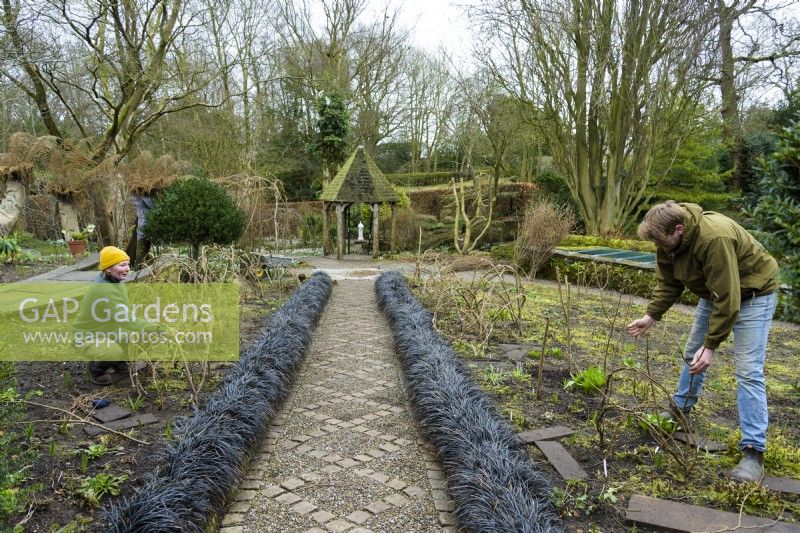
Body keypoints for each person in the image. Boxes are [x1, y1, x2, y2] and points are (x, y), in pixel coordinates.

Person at [626, 201, 779, 483]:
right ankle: (680, 410)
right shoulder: (668, 242)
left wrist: (710, 346)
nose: (658, 247)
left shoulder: (714, 237)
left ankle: (753, 452)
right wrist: (651, 315)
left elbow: (729, 299)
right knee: (691, 354)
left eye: (661, 241)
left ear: (679, 229)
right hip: (716, 293)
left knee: (748, 371)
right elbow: (669, 282)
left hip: (754, 294)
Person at [73, 246, 155, 385]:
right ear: (108, 268)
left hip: (109, 330)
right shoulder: (104, 290)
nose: (127, 268)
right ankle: (97, 370)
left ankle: (119, 363)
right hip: (88, 336)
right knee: (112, 349)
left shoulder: (114, 280)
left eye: (128, 264)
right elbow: (126, 320)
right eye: (122, 265)